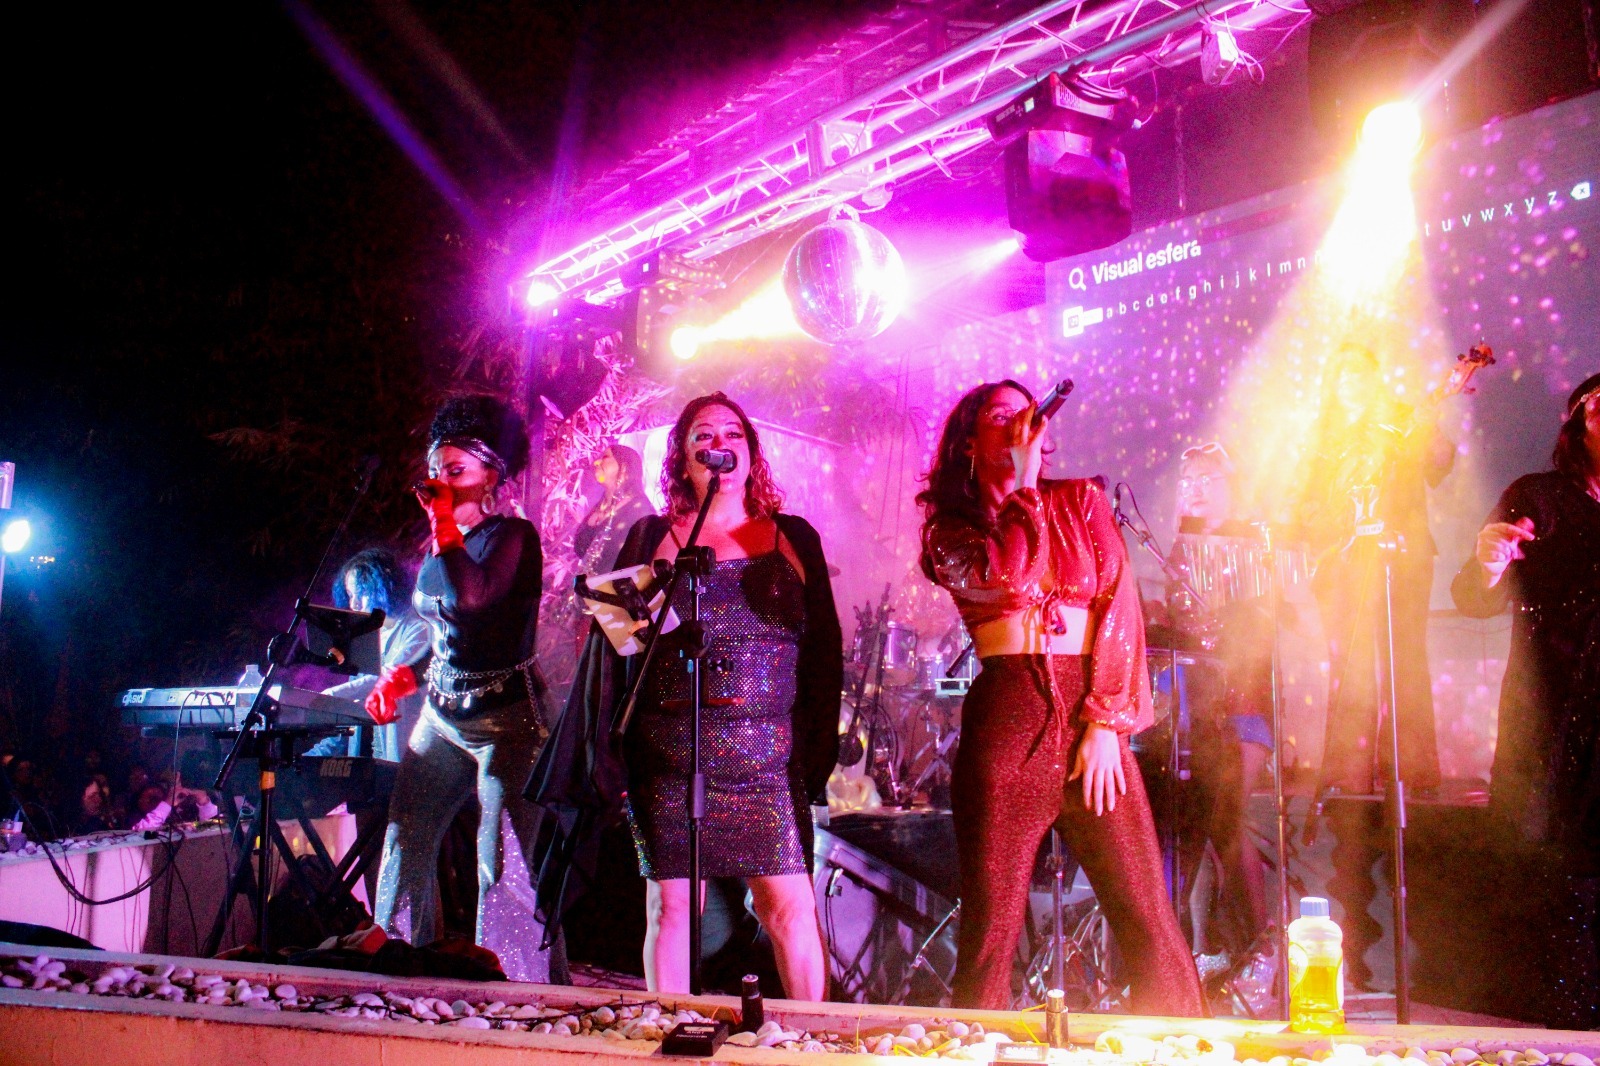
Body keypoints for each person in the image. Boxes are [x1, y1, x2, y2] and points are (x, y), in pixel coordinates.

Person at [530, 392, 842, 999]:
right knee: (671, 908)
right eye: (703, 435)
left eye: (732, 433)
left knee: (787, 908)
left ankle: (815, 1038)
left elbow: (824, 654)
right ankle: (668, 1024)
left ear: (751, 453)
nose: (719, 443)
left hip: (765, 760)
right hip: (671, 755)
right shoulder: (652, 535)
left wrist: (814, 753)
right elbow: (618, 651)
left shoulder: (793, 537)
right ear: (683, 457)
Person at [917, 380, 1205, 1014]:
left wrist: (1106, 722)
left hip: (1089, 719)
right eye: (1000, 415)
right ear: (968, 442)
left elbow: (1120, 609)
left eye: (1025, 413)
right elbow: (1010, 576)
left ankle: (1188, 1043)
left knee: (1148, 917)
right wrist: (1023, 487)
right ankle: (974, 1048)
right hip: (1008, 718)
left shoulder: (1081, 500)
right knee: (991, 932)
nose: (1019, 424)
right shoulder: (950, 532)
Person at [372, 393, 563, 983]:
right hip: (441, 716)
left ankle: (516, 995)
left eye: (455, 471)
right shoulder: (442, 546)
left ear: (491, 477)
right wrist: (404, 677)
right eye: (435, 471)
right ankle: (400, 972)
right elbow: (447, 631)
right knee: (404, 838)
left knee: (501, 861)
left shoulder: (514, 538)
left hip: (508, 721)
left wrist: (444, 526)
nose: (440, 482)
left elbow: (474, 601)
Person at [1449, 371, 1600, 1029]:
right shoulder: (1538, 496)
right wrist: (1489, 563)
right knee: (1552, 857)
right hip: (1553, 712)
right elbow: (1471, 597)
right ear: (1579, 425)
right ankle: (1561, 1017)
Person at [1295, 345, 1453, 799]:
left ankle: (1410, 770)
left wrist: (1431, 432)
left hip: (1401, 555)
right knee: (1349, 663)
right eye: (1344, 374)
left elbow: (1438, 462)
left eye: (1361, 373)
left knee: (1405, 658)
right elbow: (1304, 500)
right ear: (1333, 383)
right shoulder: (1323, 436)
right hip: (1342, 561)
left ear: (1376, 377)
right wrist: (1321, 527)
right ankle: (1348, 772)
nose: (1353, 381)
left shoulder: (1402, 418)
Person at [1164, 442, 1277, 1007]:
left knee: (1226, 819)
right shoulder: (1179, 549)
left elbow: (1255, 626)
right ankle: (1197, 949)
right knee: (1193, 826)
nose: (1197, 487)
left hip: (1242, 706)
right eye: (1189, 478)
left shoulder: (1247, 540)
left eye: (1209, 478)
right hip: (1194, 709)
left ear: (1231, 486)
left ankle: (1264, 949)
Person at [305, 547, 430, 762]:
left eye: (360, 593)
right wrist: (309, 759)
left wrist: (330, 695)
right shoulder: (366, 640)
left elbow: (388, 678)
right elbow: (352, 713)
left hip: (406, 763)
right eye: (350, 595)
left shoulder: (419, 629)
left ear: (383, 587)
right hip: (369, 765)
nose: (353, 604)